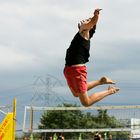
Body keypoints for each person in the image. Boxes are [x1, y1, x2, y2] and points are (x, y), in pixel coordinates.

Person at [63, 8, 120, 107]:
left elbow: (92, 22)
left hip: (76, 71)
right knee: (76, 93)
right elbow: (91, 23)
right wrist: (93, 19)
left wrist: (96, 15)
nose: (84, 21)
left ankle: (110, 91)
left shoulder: (84, 31)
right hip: (69, 69)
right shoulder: (83, 34)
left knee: (86, 103)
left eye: (86, 21)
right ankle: (100, 81)